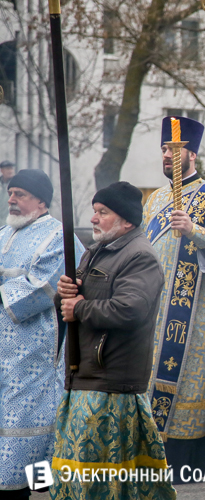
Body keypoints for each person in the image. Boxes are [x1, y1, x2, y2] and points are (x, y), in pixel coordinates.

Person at [50, 182, 175, 499]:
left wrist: (79, 306)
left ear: (127, 221)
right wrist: (67, 293)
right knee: (79, 477)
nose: (94, 218)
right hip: (86, 377)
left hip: (111, 383)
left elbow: (130, 310)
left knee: (104, 480)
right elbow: (78, 302)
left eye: (102, 212)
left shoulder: (139, 257)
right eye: (94, 211)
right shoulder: (97, 251)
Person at [142, 116, 205, 482]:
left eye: (174, 149)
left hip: (193, 315)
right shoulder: (156, 198)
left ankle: (191, 466)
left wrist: (195, 231)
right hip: (154, 311)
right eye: (164, 149)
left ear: (192, 154)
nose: (167, 155)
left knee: (186, 388)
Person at [0, 170, 82, 499]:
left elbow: (40, 288)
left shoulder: (60, 238)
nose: (11, 200)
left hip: (34, 350)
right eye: (10, 193)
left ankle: (27, 485)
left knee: (31, 423)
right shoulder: (5, 233)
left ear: (41, 201)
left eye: (19, 194)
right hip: (3, 350)